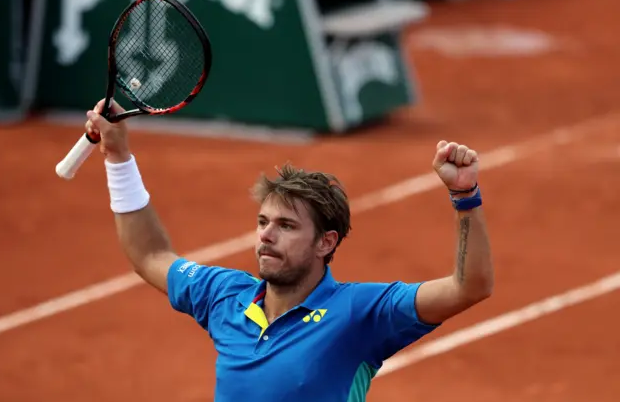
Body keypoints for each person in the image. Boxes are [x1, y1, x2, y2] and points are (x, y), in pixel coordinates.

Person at [85, 98, 494, 402]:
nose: (266, 235)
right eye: (263, 222)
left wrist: (465, 196)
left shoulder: (359, 313)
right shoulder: (225, 296)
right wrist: (118, 156)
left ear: (325, 242)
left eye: (286, 226)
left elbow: (468, 287)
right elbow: (150, 255)